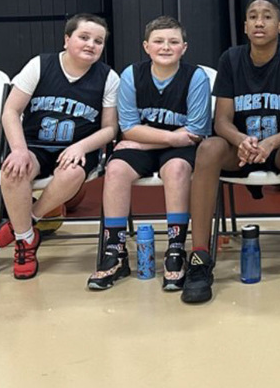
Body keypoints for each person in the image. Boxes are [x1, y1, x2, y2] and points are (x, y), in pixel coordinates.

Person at [180, 0, 280, 304]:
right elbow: (222, 120)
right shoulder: (231, 59)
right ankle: (200, 258)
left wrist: (270, 143)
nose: (259, 22)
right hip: (239, 150)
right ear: (244, 26)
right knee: (209, 148)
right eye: (253, 17)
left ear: (279, 26)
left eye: (267, 17)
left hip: (278, 148)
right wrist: (242, 140)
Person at [87, 16, 212, 292]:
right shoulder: (131, 75)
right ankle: (116, 252)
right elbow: (128, 128)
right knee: (116, 168)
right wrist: (169, 137)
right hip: (154, 144)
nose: (165, 47)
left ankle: (176, 250)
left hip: (177, 150)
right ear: (146, 46)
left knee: (177, 169)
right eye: (158, 41)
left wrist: (144, 142)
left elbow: (194, 132)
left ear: (184, 47)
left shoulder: (196, 77)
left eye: (173, 42)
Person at [0, 14, 119, 279]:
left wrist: (82, 147)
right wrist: (18, 149)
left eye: (98, 41)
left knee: (73, 173)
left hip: (77, 149)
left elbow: (110, 129)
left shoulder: (108, 78)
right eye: (84, 37)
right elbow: (11, 111)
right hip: (35, 145)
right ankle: (26, 241)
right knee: (13, 170)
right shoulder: (40, 65)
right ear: (66, 40)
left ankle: (27, 226)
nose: (91, 45)